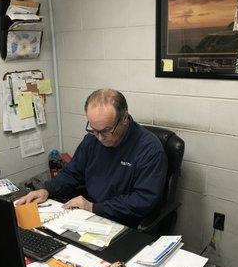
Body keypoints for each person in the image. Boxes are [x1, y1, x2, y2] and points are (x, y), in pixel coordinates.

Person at [17, 88, 168, 228]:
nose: (100, 138)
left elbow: (143, 200)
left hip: (124, 222)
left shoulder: (149, 149)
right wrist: (47, 190)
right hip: (89, 216)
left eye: (106, 131)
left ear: (124, 118)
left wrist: (93, 207)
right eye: (94, 130)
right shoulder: (91, 141)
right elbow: (72, 174)